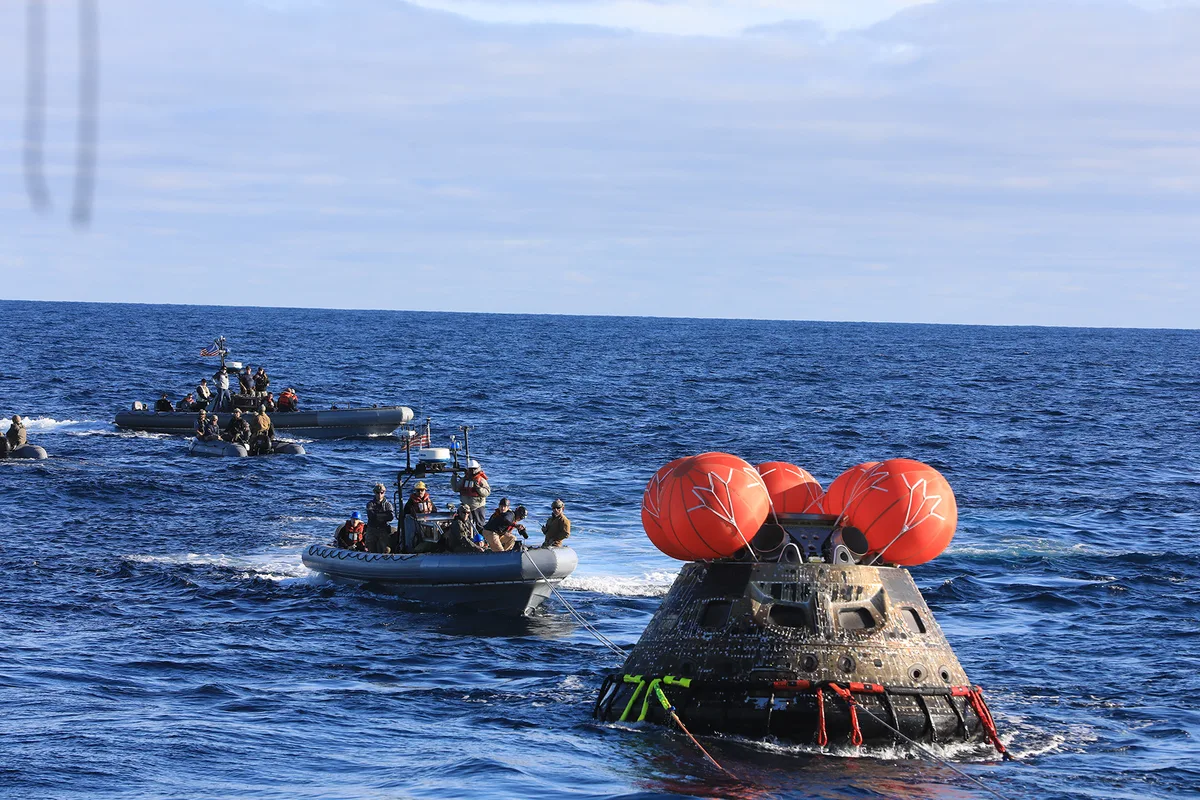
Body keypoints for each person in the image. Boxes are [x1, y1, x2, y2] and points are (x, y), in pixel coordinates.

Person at [451, 460, 491, 531]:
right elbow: (455, 488)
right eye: (471, 469)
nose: (472, 471)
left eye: (474, 469)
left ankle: (481, 540)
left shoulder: (481, 480)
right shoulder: (464, 479)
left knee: (480, 525)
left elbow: (487, 492)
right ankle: (468, 538)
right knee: (466, 525)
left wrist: (478, 488)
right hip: (466, 507)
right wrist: (454, 475)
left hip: (478, 506)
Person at [365, 482, 395, 553]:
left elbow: (391, 517)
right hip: (372, 529)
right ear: (374, 493)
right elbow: (371, 516)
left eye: (382, 492)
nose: (379, 494)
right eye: (377, 492)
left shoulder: (388, 504)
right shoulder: (370, 504)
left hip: (383, 529)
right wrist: (384, 515)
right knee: (371, 549)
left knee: (386, 549)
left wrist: (377, 515)